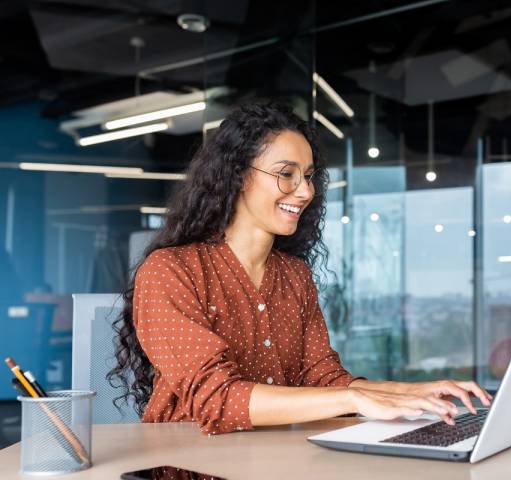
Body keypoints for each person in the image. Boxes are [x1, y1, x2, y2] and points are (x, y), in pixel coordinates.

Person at [110, 101, 491, 435]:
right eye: (286, 174)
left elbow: (323, 379)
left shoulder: (294, 276)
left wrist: (413, 392)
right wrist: (357, 398)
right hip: (184, 464)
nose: (306, 191)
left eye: (308, 176)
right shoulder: (170, 271)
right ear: (239, 175)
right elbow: (217, 398)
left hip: (274, 458)